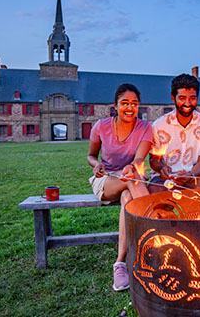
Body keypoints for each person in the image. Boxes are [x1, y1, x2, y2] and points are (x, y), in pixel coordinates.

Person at [87, 83, 151, 292]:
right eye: (125, 103)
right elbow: (91, 156)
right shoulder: (101, 126)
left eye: (134, 103)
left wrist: (133, 166)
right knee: (131, 182)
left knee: (128, 199)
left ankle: (120, 264)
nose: (130, 108)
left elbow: (141, 158)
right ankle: (156, 234)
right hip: (106, 180)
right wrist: (96, 164)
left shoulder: (145, 128)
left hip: (131, 177)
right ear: (115, 105)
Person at [149, 73, 200, 193]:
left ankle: (196, 212)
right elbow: (154, 159)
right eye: (182, 98)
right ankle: (165, 213)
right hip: (167, 176)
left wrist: (191, 174)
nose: (187, 103)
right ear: (173, 97)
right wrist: (161, 168)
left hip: (197, 174)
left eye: (192, 98)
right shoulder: (159, 125)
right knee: (155, 191)